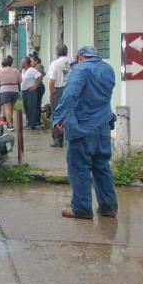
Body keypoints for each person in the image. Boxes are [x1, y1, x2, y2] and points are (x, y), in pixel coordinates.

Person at [52, 46, 118, 219]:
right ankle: (108, 207)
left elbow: (70, 95)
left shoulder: (80, 70)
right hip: (103, 127)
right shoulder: (108, 69)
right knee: (102, 167)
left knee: (79, 168)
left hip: (81, 127)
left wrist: (57, 118)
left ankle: (81, 209)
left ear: (80, 57)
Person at [47, 44, 71, 147]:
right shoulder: (72, 62)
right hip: (71, 90)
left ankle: (58, 139)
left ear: (57, 52)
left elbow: (52, 81)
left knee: (57, 114)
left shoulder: (55, 64)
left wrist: (52, 93)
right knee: (71, 113)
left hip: (59, 90)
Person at [0, 58, 21, 130]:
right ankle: (10, 121)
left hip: (5, 90)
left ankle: (10, 125)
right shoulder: (16, 70)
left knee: (7, 108)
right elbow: (20, 81)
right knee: (11, 108)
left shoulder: (1, 71)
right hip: (15, 91)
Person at [20, 56, 42, 129]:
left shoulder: (32, 70)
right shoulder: (23, 70)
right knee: (26, 108)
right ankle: (28, 122)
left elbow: (39, 76)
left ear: (25, 63)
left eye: (22, 62)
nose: (20, 63)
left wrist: (35, 85)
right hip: (24, 92)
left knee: (31, 107)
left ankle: (32, 124)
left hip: (31, 92)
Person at [31, 55, 46, 123]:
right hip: (38, 87)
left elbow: (40, 77)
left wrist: (36, 85)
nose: (30, 63)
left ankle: (37, 120)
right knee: (36, 104)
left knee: (37, 104)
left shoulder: (38, 66)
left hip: (39, 87)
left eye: (32, 61)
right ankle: (36, 119)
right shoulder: (36, 67)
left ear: (36, 61)